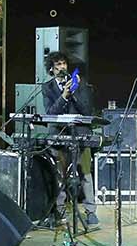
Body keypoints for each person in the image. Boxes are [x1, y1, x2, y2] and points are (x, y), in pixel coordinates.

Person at [36, 50, 98, 228]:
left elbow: (86, 110)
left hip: (81, 135)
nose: (62, 68)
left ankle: (91, 212)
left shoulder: (80, 83)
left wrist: (74, 91)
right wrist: (64, 96)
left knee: (85, 173)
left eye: (63, 64)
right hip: (58, 136)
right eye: (57, 66)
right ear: (51, 70)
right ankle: (60, 211)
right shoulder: (47, 87)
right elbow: (51, 113)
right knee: (60, 175)